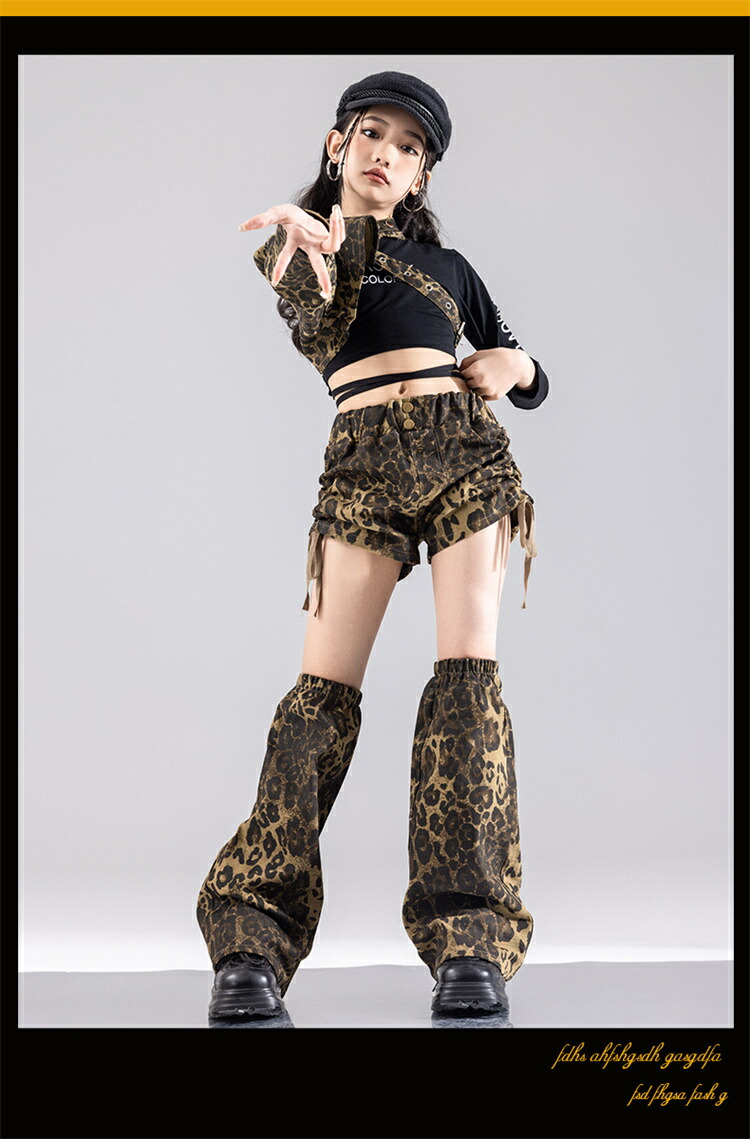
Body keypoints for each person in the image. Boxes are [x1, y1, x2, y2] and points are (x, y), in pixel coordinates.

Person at [196, 70, 549, 1022]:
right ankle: (251, 937)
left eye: (408, 147)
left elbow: (524, 366)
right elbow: (319, 329)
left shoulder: (452, 267)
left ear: (422, 174)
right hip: (362, 457)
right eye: (372, 134)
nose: (387, 154)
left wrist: (514, 364)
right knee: (319, 699)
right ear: (337, 144)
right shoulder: (296, 247)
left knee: (467, 683)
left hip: (465, 451)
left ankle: (470, 941)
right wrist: (319, 246)